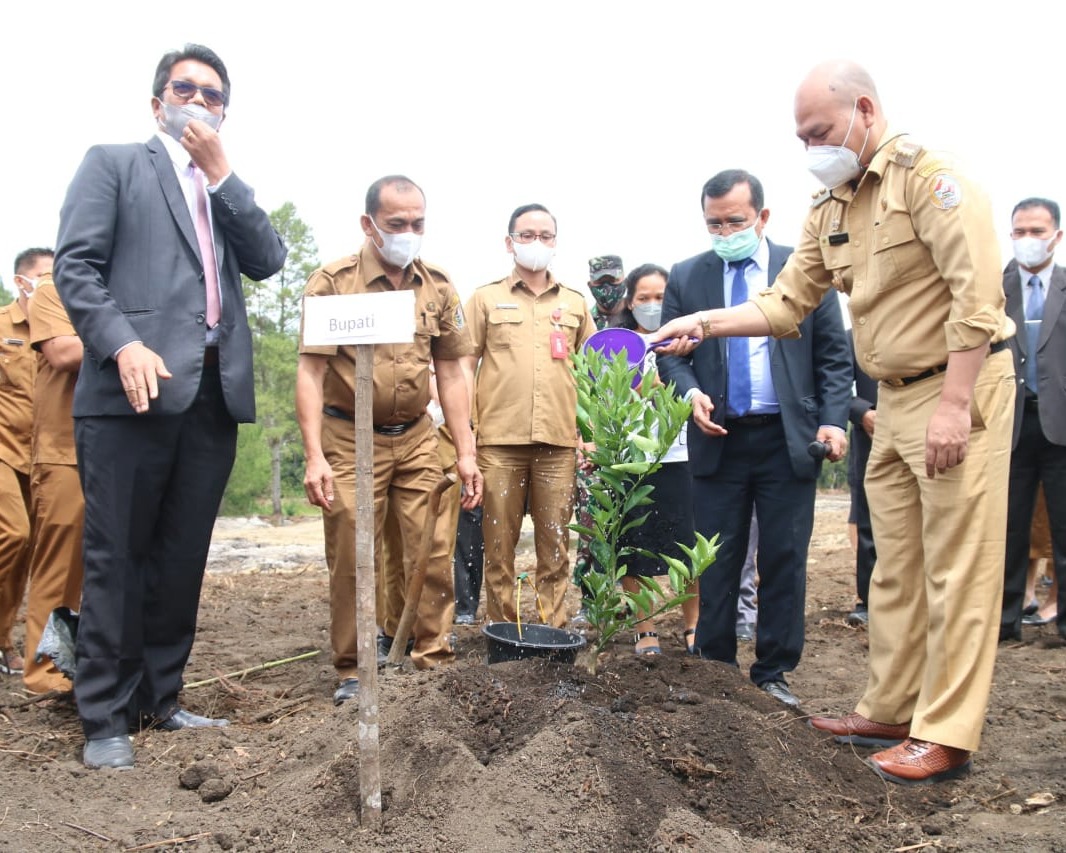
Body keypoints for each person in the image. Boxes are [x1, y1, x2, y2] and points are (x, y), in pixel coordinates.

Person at [653, 60, 1014, 785]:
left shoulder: (929, 180)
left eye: (820, 131)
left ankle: (943, 732)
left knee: (956, 567)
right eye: (801, 135)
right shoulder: (832, 207)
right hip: (896, 393)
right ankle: (890, 705)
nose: (811, 146)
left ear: (865, 111)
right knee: (896, 568)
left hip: (956, 385)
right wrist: (704, 322)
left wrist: (954, 404)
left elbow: (978, 297)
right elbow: (785, 304)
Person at [53, 43, 287, 770]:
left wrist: (222, 175)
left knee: (181, 556)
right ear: (157, 103)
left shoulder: (222, 188)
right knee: (118, 554)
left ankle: (161, 695)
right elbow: (76, 267)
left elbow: (270, 257)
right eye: (183, 88)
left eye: (212, 94)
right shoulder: (115, 164)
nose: (197, 100)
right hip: (132, 393)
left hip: (211, 395)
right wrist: (122, 344)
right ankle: (104, 714)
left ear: (223, 112)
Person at [657, 169, 851, 709]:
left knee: (784, 557)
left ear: (762, 217)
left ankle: (773, 671)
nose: (724, 232)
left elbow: (834, 355)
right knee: (716, 558)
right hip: (718, 437)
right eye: (714, 224)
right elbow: (672, 360)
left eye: (735, 221)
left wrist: (833, 420)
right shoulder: (687, 277)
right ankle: (716, 669)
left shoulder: (802, 270)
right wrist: (690, 394)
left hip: (789, 438)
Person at [296, 175, 481, 705]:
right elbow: (310, 372)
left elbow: (451, 372)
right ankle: (355, 668)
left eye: (417, 223)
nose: (408, 233)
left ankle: (431, 657)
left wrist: (465, 451)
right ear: (369, 224)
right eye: (396, 224)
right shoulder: (334, 283)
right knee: (354, 547)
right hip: (348, 438)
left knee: (432, 544)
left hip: (419, 436)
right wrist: (314, 456)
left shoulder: (439, 286)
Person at [464, 204, 595, 627]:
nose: (535, 243)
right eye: (526, 235)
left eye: (544, 235)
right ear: (509, 242)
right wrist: (466, 431)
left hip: (558, 445)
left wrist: (589, 434)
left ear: (555, 242)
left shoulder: (575, 303)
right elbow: (463, 366)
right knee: (498, 549)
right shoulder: (485, 299)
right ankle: (504, 634)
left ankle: (549, 633)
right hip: (499, 444)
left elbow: (594, 373)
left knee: (555, 549)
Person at [612, 263, 698, 654]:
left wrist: (668, 386)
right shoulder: (617, 344)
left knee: (687, 544)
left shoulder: (689, 341)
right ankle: (644, 629)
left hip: (681, 455)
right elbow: (602, 399)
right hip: (633, 461)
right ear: (630, 302)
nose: (652, 305)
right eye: (643, 298)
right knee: (636, 545)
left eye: (660, 297)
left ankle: (694, 625)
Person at [1000, 197, 1066, 641]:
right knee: (1007, 527)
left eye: (1037, 232)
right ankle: (1003, 622)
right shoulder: (992, 286)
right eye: (1020, 232)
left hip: (1060, 425)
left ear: (1056, 237)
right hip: (1009, 423)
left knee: (1063, 527)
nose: (1028, 240)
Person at [24, 266, 85, 693]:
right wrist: (137, 338)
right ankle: (44, 672)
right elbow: (63, 353)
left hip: (118, 450)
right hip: (65, 452)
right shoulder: (51, 290)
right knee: (58, 568)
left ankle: (88, 664)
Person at [572, 254, 627, 624]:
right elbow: (574, 385)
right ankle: (591, 604)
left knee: (631, 524)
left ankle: (629, 603)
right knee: (590, 526)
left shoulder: (638, 319)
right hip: (592, 445)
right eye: (598, 283)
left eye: (612, 280)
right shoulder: (583, 322)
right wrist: (581, 437)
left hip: (633, 441)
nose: (606, 289)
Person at [0, 249, 47, 676]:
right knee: (13, 534)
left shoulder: (61, 331)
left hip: (41, 457)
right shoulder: (1, 326)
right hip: (1, 449)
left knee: (27, 548)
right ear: (22, 282)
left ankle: (3, 640)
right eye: (44, 277)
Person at [846, 330, 879, 627]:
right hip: (870, 435)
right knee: (869, 520)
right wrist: (862, 412)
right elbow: (834, 383)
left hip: (922, 428)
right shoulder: (853, 336)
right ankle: (869, 599)